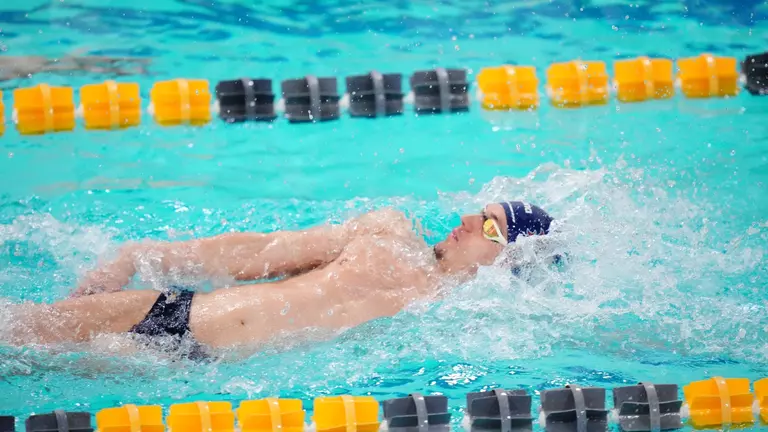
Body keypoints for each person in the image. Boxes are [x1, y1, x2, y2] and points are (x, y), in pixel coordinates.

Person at [3, 201, 554, 359]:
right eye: (476, 211)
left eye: (489, 226)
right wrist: (138, 254)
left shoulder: (471, 323)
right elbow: (262, 251)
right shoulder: (387, 232)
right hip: (167, 317)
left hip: (181, 374)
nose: (464, 220)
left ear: (508, 262)